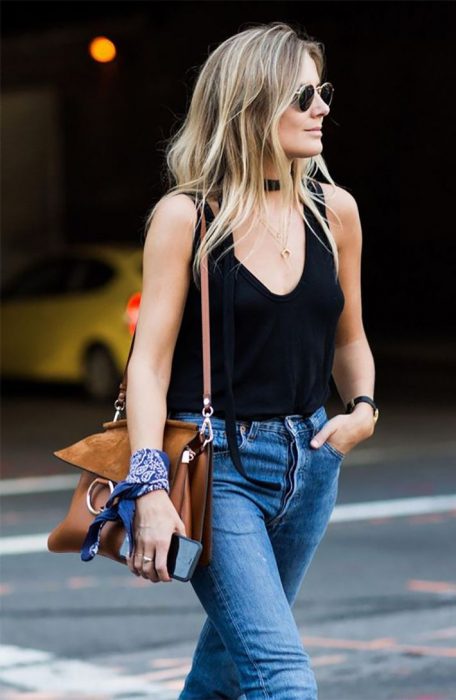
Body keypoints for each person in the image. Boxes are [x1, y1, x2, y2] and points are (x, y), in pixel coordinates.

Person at [124, 21, 378, 700]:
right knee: (283, 678)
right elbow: (147, 364)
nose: (322, 106)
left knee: (225, 670)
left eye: (321, 91)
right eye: (303, 95)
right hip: (218, 468)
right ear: (251, 104)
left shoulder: (337, 212)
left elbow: (349, 338)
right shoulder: (188, 217)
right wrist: (148, 488)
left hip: (313, 461)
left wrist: (362, 413)